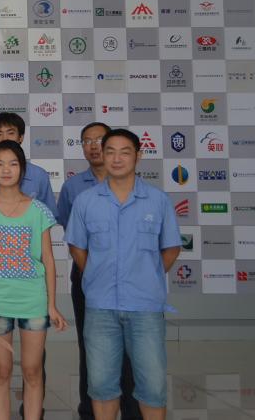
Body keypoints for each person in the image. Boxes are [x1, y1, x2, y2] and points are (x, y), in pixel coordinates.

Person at [65, 129, 181, 420]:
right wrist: (96, 275)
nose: (117, 159)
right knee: (101, 386)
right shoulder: (86, 201)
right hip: (100, 308)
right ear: (103, 156)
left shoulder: (158, 200)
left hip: (145, 309)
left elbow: (170, 248)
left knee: (152, 387)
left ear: (138, 156)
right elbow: (77, 248)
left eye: (125, 152)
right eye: (110, 152)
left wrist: (147, 276)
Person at [0, 112, 57, 419]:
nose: (6, 170)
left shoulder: (39, 210)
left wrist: (52, 305)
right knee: (0, 372)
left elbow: (48, 260)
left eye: (13, 164)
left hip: (33, 301)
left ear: (23, 169)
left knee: (32, 370)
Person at [58, 123, 142, 420]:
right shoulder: (72, 187)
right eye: (86, 141)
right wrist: (91, 272)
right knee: (91, 346)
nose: (92, 146)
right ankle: (90, 412)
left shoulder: (136, 187)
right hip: (89, 277)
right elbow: (73, 234)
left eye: (99, 140)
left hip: (131, 279)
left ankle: (132, 411)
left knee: (133, 348)